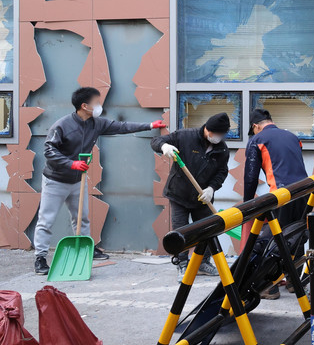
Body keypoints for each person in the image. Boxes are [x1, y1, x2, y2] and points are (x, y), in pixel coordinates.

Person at [33, 87, 166, 275]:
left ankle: (86, 247)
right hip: (55, 180)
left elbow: (122, 127)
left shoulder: (97, 123)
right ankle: (40, 258)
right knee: (46, 220)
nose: (99, 105)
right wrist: (71, 164)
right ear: (84, 106)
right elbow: (49, 150)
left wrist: (150, 125)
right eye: (96, 102)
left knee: (82, 217)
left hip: (78, 180)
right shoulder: (61, 125)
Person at [151, 113, 231, 282]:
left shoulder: (222, 149)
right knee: (181, 230)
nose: (218, 137)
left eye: (221, 134)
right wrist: (164, 146)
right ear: (207, 129)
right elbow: (155, 141)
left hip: (202, 197)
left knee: (207, 229)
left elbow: (222, 172)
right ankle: (182, 264)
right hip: (178, 193)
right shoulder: (185, 136)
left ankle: (203, 263)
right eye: (216, 133)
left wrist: (211, 188)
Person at [243, 108, 308, 299]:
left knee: (274, 240)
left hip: (282, 194)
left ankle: (269, 287)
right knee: (296, 236)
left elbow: (251, 177)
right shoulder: (293, 137)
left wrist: (247, 205)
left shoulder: (257, 140)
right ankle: (294, 282)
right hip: (305, 192)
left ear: (255, 126)